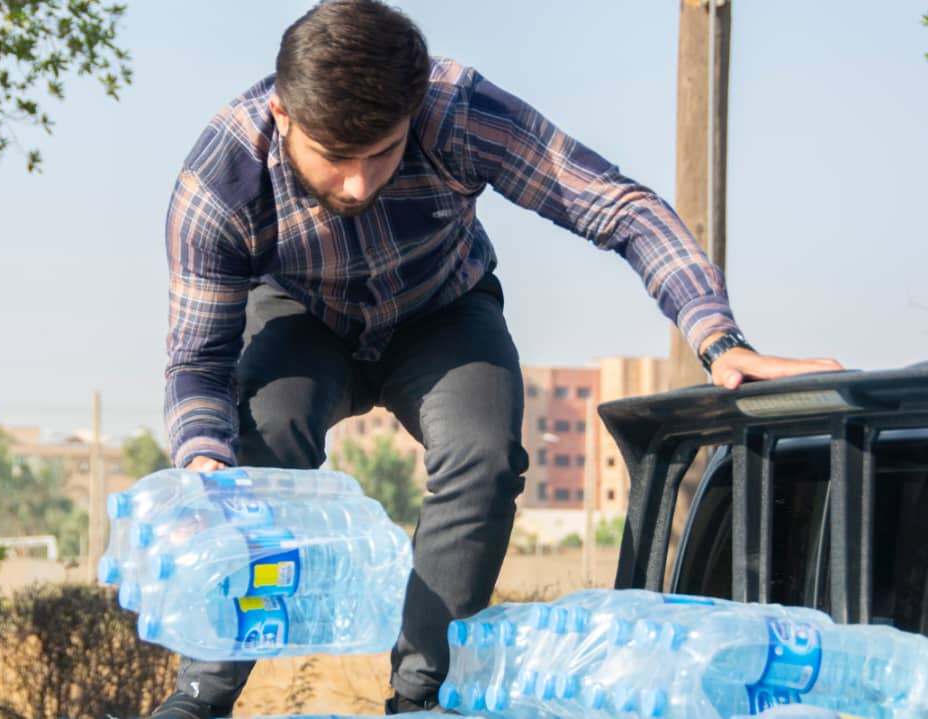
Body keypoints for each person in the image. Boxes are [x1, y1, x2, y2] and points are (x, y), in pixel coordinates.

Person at [152, 1, 842, 716]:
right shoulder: (220, 183)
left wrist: (719, 340)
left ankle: (422, 697)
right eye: (335, 157)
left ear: (413, 112)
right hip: (302, 318)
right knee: (260, 444)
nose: (358, 183)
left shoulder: (454, 108)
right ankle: (201, 696)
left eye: (381, 153)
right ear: (284, 115)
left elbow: (617, 206)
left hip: (441, 311)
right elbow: (198, 361)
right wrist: (203, 460)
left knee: (483, 456)